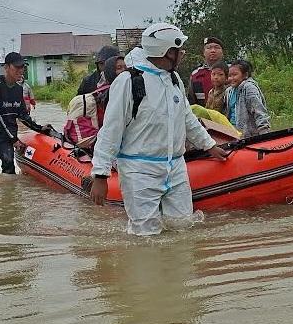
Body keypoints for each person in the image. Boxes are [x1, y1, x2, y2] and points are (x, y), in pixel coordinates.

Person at [90, 23, 229, 236]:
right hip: (139, 170)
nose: (182, 54)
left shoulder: (173, 80)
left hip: (175, 167)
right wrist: (100, 174)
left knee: (183, 228)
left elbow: (187, 118)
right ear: (166, 51)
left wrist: (209, 145)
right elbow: (111, 130)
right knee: (145, 236)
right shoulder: (129, 81)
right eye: (179, 50)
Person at [0, 52, 45, 176]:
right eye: (17, 67)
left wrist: (41, 129)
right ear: (6, 67)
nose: (20, 70)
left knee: (9, 165)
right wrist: (13, 139)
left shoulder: (18, 90)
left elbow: (23, 115)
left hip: (4, 137)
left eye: (22, 67)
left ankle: (10, 195)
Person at [226, 59, 270, 138]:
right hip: (234, 134)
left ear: (245, 75)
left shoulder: (249, 88)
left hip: (249, 135)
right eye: (229, 75)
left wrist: (264, 134)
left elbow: (259, 111)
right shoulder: (229, 91)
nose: (231, 78)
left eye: (235, 75)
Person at [187, 37, 225, 106]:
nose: (213, 50)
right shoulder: (195, 74)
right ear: (203, 52)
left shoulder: (232, 72)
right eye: (209, 48)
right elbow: (191, 101)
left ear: (222, 52)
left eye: (217, 47)